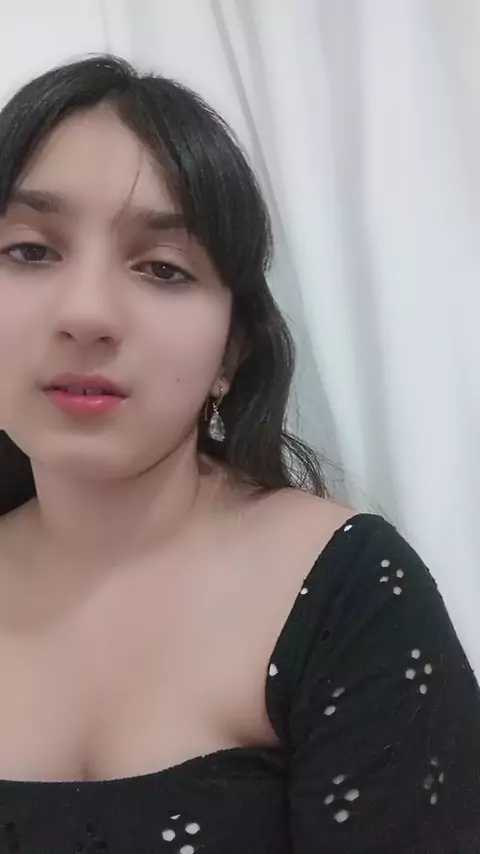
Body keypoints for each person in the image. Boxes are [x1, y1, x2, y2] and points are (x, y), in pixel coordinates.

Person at [0, 54, 478, 854]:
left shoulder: (348, 594)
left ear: (232, 350)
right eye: (29, 251)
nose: (86, 313)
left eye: (163, 267)